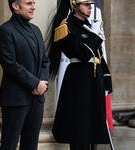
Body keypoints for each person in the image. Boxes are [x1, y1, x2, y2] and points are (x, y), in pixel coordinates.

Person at [47, 0, 113, 150]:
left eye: (91, 4)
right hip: (79, 82)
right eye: (86, 4)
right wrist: (95, 35)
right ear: (75, 6)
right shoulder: (65, 27)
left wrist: (106, 81)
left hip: (94, 81)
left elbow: (99, 56)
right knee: (80, 128)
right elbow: (83, 54)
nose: (91, 7)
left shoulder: (90, 25)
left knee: (93, 127)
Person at [0, 0, 50, 150]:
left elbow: (45, 61)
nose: (34, 7)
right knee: (9, 146)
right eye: (28, 3)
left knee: (31, 146)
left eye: (34, 2)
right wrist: (34, 84)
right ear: (15, 6)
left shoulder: (36, 30)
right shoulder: (4, 30)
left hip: (37, 98)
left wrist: (42, 84)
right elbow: (10, 64)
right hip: (15, 99)